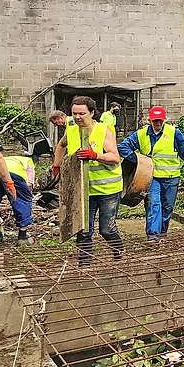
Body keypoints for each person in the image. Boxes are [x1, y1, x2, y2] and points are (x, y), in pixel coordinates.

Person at [52, 96, 123, 264]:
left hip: (108, 189)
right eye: (74, 113)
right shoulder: (71, 130)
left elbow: (115, 157)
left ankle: (118, 249)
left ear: (92, 113)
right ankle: (85, 265)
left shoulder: (103, 130)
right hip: (83, 190)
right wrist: (56, 165)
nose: (77, 117)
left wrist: (95, 155)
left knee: (106, 229)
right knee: (83, 230)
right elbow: (61, 146)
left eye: (82, 113)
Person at [118, 106, 184, 240]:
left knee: (167, 208)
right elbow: (123, 147)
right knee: (153, 204)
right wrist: (138, 160)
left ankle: (162, 234)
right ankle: (153, 236)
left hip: (171, 177)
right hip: (152, 178)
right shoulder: (141, 134)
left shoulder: (174, 133)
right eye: (155, 121)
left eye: (160, 121)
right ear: (149, 120)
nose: (157, 124)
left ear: (164, 120)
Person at [0, 152, 34, 246]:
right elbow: (29, 183)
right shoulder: (29, 161)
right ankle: (23, 237)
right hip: (15, 176)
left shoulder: (5, 159)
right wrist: (28, 195)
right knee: (23, 200)